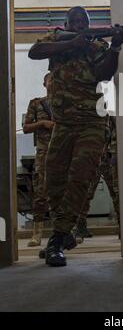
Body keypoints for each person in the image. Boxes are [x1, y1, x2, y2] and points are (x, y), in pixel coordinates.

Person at [28, 6, 123, 267]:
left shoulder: (96, 47)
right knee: (53, 180)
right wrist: (71, 42)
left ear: (89, 24)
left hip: (91, 123)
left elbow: (105, 74)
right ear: (66, 23)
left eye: (83, 21)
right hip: (63, 124)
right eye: (74, 21)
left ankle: (57, 239)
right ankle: (65, 233)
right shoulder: (55, 39)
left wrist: (115, 47)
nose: (79, 24)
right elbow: (34, 52)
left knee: (80, 178)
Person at [74, 115, 119, 243]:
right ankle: (80, 228)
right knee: (85, 194)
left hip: (108, 159)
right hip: (93, 159)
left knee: (116, 193)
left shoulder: (112, 119)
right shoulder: (87, 119)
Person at [23, 73, 54, 247]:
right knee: (40, 194)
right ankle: (37, 234)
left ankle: (64, 232)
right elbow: (26, 127)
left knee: (64, 193)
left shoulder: (66, 103)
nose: (53, 83)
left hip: (63, 152)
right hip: (43, 153)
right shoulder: (36, 103)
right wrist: (42, 123)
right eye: (50, 80)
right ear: (44, 83)